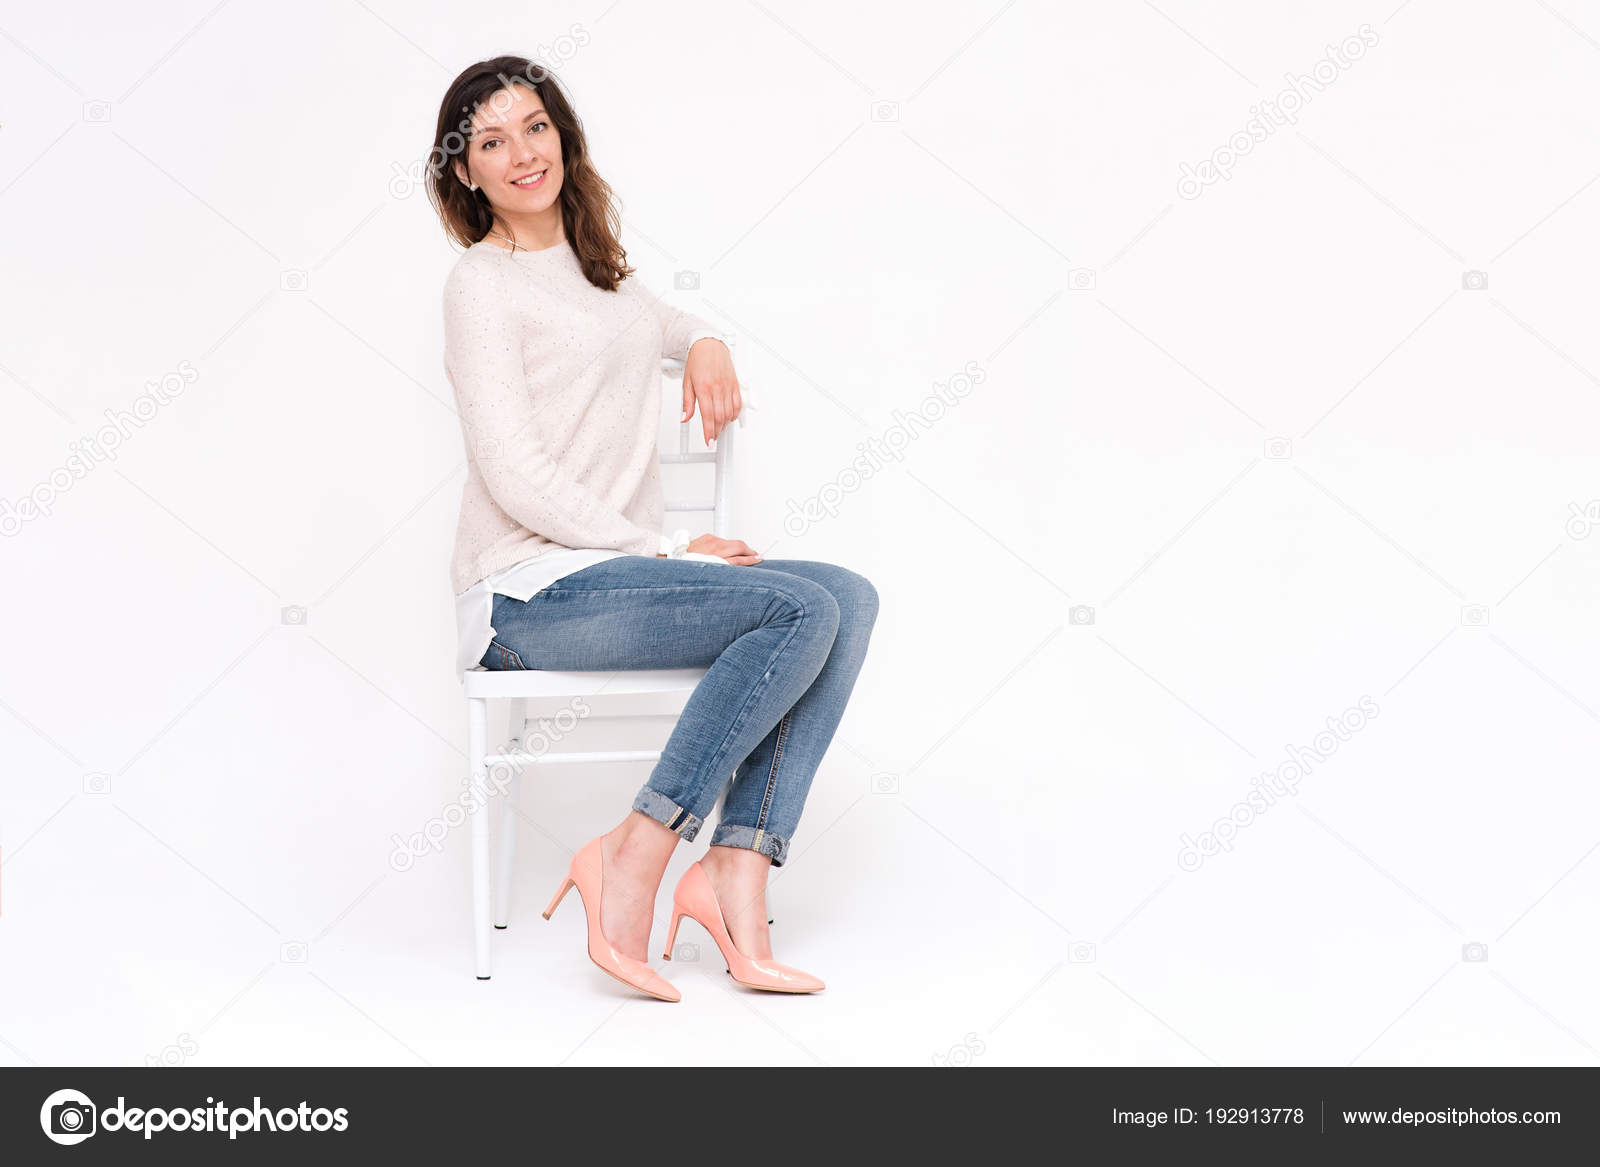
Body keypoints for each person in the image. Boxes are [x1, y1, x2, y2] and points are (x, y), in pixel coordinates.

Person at [428, 57, 878, 1000]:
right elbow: (515, 473)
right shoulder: (480, 285)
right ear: (465, 172)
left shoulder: (596, 271)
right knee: (797, 609)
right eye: (492, 141)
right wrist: (668, 549)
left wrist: (705, 339)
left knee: (846, 595)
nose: (522, 153)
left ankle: (734, 870)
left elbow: (654, 323)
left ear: (563, 136)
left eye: (535, 127)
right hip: (529, 594)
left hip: (608, 579)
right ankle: (639, 848)